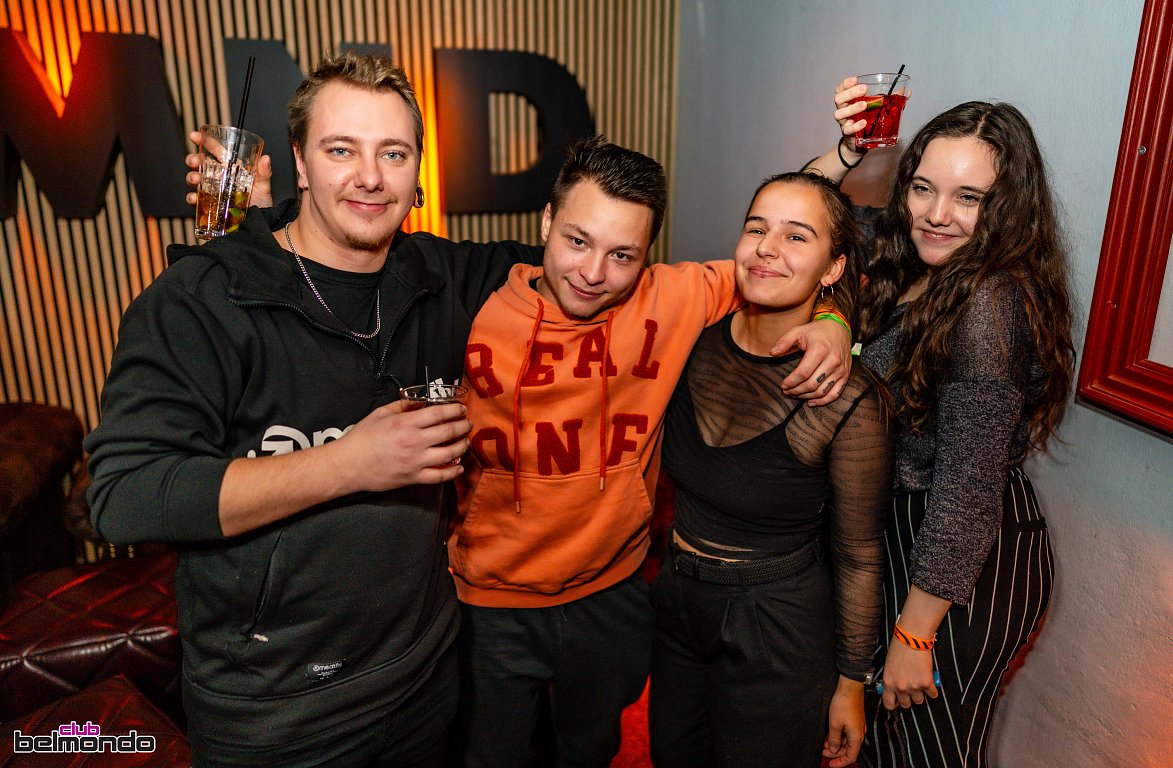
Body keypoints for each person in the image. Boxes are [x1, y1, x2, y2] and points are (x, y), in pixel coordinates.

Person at [85, 52, 546, 767]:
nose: (370, 177)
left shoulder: (439, 276)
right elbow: (124, 496)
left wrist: (739, 298)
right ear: (300, 162)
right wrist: (347, 463)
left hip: (425, 676)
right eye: (341, 150)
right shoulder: (202, 301)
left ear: (416, 171)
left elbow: (586, 263)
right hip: (277, 713)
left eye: (392, 153)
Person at [447, 137, 862, 768]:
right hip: (490, 600)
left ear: (647, 256)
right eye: (577, 241)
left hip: (611, 593)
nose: (593, 273)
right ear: (547, 221)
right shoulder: (471, 307)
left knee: (590, 751)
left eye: (622, 255)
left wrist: (834, 321)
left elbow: (783, 258)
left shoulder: (673, 297)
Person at [811, 79, 1075, 768]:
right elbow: (800, 215)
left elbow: (966, 484)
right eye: (922, 188)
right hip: (912, 530)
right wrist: (848, 149)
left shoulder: (988, 302)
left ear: (1007, 208)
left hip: (960, 555)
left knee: (925, 751)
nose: (936, 214)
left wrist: (915, 633)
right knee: (889, 744)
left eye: (968, 198)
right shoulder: (910, 257)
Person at [648, 171, 894, 768]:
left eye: (796, 236)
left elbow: (860, 552)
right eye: (756, 229)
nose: (767, 248)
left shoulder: (847, 397)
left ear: (833, 269)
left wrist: (852, 682)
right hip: (677, 600)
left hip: (776, 623)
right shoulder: (691, 344)